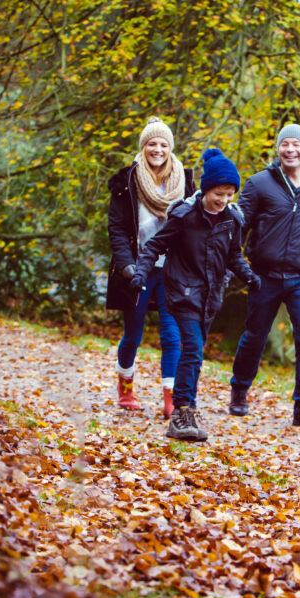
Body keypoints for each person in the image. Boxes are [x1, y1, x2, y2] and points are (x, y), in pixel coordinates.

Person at [130, 148, 261, 442]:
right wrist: (140, 273)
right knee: (192, 348)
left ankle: (187, 407)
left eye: (230, 194)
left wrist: (250, 276)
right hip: (181, 292)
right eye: (219, 193)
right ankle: (181, 413)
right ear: (206, 188)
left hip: (210, 298)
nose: (224, 200)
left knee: (195, 353)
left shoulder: (232, 220)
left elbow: (233, 257)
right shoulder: (184, 215)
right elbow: (154, 246)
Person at [228, 123, 300, 428]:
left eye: (296, 145)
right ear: (278, 149)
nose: (290, 150)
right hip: (265, 275)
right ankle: (239, 390)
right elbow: (239, 226)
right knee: (255, 336)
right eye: (285, 144)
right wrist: (235, 266)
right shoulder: (259, 184)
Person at [106, 116, 196, 419]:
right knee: (134, 333)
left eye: (163, 144)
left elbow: (193, 226)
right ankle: (126, 387)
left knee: (173, 336)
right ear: (144, 147)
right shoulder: (126, 182)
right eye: (152, 143)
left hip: (172, 270)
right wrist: (127, 267)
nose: (157, 149)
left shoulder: (184, 182)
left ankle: (171, 399)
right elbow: (117, 229)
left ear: (170, 148)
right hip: (138, 268)